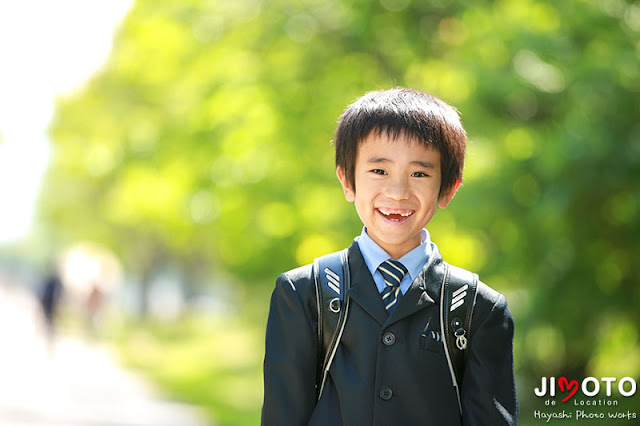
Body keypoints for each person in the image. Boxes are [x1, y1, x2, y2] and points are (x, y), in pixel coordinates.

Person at [262, 88, 518, 425]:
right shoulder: (303, 295)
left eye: (420, 174)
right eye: (379, 171)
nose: (398, 192)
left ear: (449, 188)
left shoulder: (478, 309)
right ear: (347, 180)